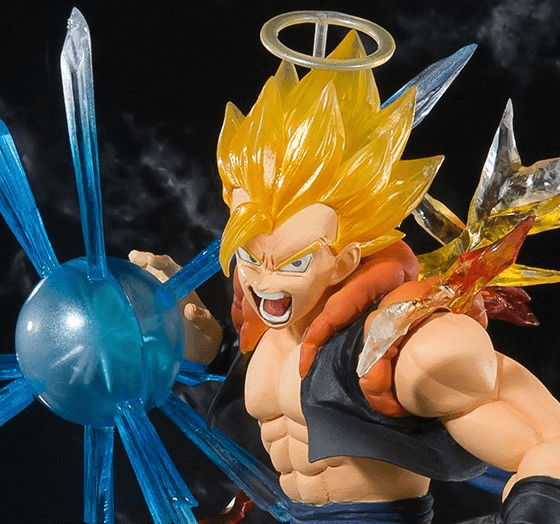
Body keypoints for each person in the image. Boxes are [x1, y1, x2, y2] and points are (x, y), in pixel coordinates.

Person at [131, 30, 560, 524]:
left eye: (295, 262)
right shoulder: (265, 336)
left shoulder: (405, 345)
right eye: (249, 255)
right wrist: (196, 338)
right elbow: (273, 383)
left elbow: (547, 445)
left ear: (344, 258)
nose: (265, 281)